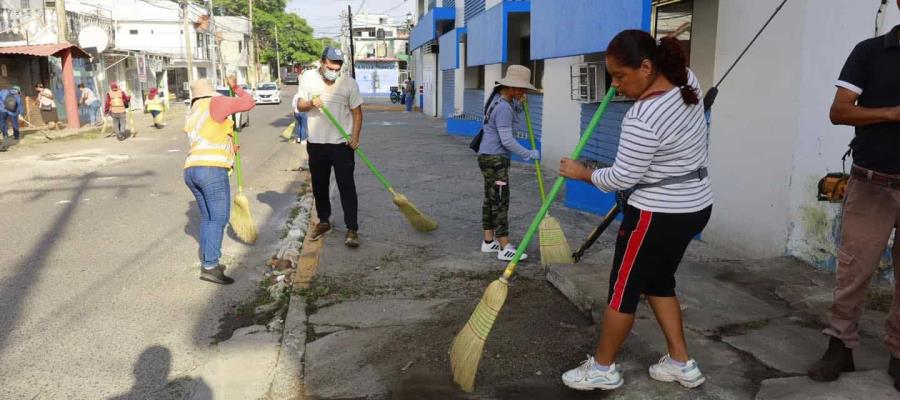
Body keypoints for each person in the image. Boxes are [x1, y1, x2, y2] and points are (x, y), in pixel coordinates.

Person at [557, 30, 712, 392]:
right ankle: (680, 362)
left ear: (646, 67)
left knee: (623, 290)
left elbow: (621, 178)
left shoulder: (643, 117)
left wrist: (582, 172)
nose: (615, 86)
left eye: (620, 76)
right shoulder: (686, 79)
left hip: (655, 215)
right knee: (659, 281)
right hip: (695, 206)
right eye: (611, 76)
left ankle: (602, 368)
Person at [808, 2, 900, 391]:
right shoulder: (870, 51)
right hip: (872, 183)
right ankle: (840, 346)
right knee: (853, 270)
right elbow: (839, 111)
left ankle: (898, 354)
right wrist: (893, 114)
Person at [183, 75, 255, 285]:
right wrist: (235, 86)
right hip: (211, 170)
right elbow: (248, 102)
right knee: (219, 218)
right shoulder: (216, 102)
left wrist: (230, 148)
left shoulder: (194, 111)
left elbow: (209, 137)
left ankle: (209, 261)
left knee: (208, 218)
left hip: (192, 169)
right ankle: (210, 266)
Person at [296, 47, 364, 248]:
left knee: (347, 186)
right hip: (316, 142)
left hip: (342, 144)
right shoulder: (308, 78)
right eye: (330, 66)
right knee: (319, 185)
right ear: (322, 62)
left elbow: (357, 113)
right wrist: (311, 103)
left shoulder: (349, 84)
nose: (333, 70)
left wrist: (355, 137)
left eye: (337, 66)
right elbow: (300, 105)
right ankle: (324, 221)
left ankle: (352, 228)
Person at [476, 65, 540, 261]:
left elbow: (508, 117)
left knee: (490, 199)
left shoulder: (497, 100)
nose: (524, 92)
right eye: (522, 89)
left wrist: (520, 104)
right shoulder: (504, 107)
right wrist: (528, 153)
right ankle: (504, 246)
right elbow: (507, 140)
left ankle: (489, 241)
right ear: (512, 87)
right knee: (501, 201)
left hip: (486, 156)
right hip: (496, 160)